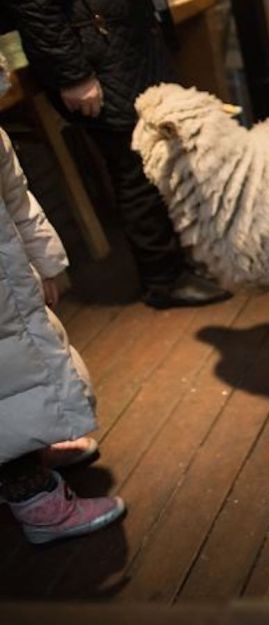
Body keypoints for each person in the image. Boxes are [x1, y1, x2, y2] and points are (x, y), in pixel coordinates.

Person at [6, 0, 231, 308]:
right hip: (99, 49)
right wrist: (73, 74)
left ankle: (177, 266)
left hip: (124, 40)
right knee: (135, 167)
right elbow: (36, 6)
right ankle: (163, 279)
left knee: (156, 161)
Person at [0, 126, 125, 544]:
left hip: (10, 287)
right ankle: (34, 501)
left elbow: (17, 196)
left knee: (25, 378)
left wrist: (45, 260)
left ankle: (31, 444)